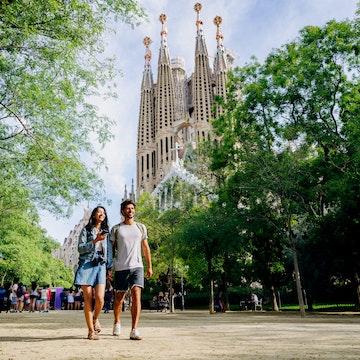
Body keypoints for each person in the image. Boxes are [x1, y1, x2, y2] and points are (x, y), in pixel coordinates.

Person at [111, 199, 152, 340]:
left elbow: (145, 248)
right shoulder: (116, 229)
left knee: (136, 295)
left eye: (132, 208)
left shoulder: (141, 228)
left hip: (137, 267)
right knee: (119, 298)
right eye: (128, 208)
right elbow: (111, 250)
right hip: (121, 267)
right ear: (122, 211)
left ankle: (134, 329)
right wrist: (109, 268)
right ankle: (117, 322)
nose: (130, 211)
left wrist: (149, 266)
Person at [74, 206, 113, 340]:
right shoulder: (86, 230)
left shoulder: (106, 231)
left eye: (103, 212)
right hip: (87, 264)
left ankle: (95, 318)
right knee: (88, 298)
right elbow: (80, 248)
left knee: (100, 299)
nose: (101, 214)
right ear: (94, 215)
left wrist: (109, 267)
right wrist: (95, 240)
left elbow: (109, 250)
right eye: (99, 212)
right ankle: (91, 330)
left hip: (101, 265)